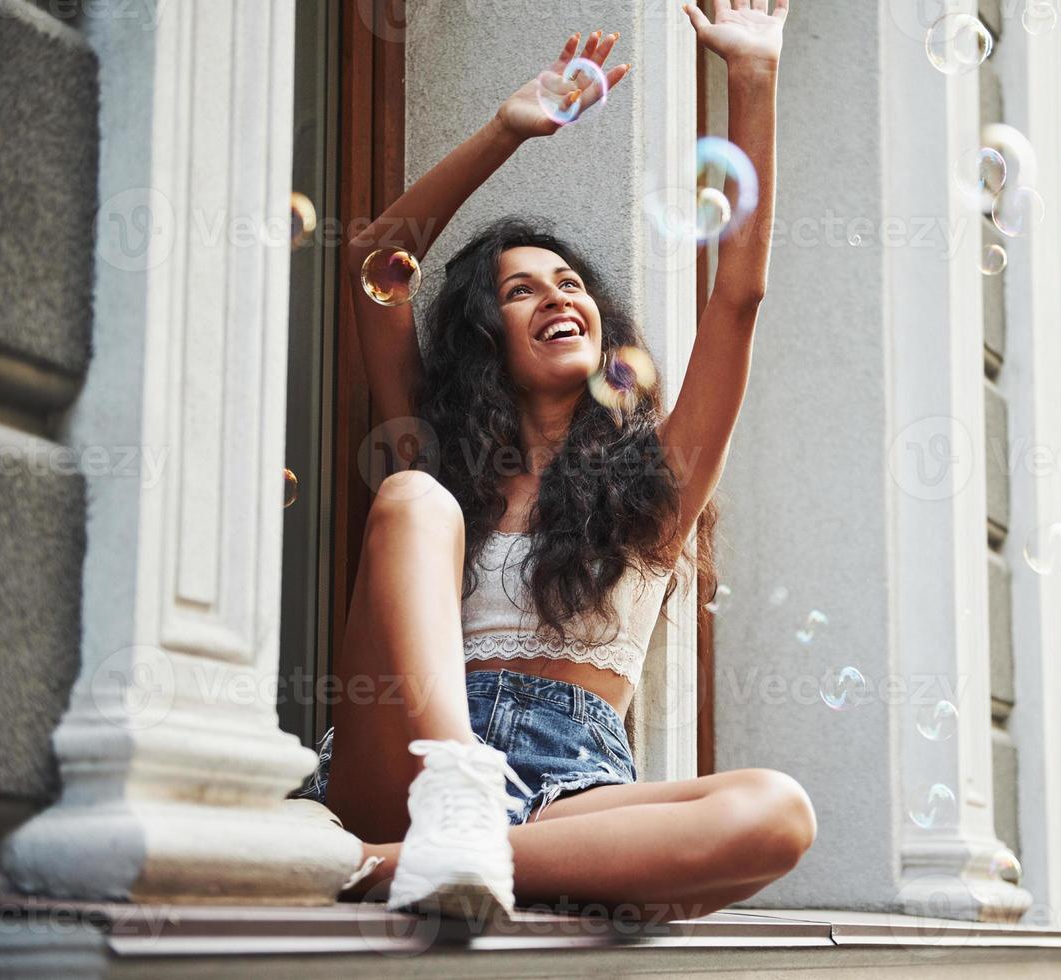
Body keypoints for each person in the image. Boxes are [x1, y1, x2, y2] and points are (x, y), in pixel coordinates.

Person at [296, 0, 816, 924]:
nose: (555, 298)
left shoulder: (656, 487)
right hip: (412, 760)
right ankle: (449, 824)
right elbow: (379, 265)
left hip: (572, 792)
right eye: (520, 292)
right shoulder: (444, 459)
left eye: (570, 284)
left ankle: (390, 866)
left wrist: (752, 74)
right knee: (412, 498)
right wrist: (508, 129)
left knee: (777, 812)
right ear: (486, 339)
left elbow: (738, 298)